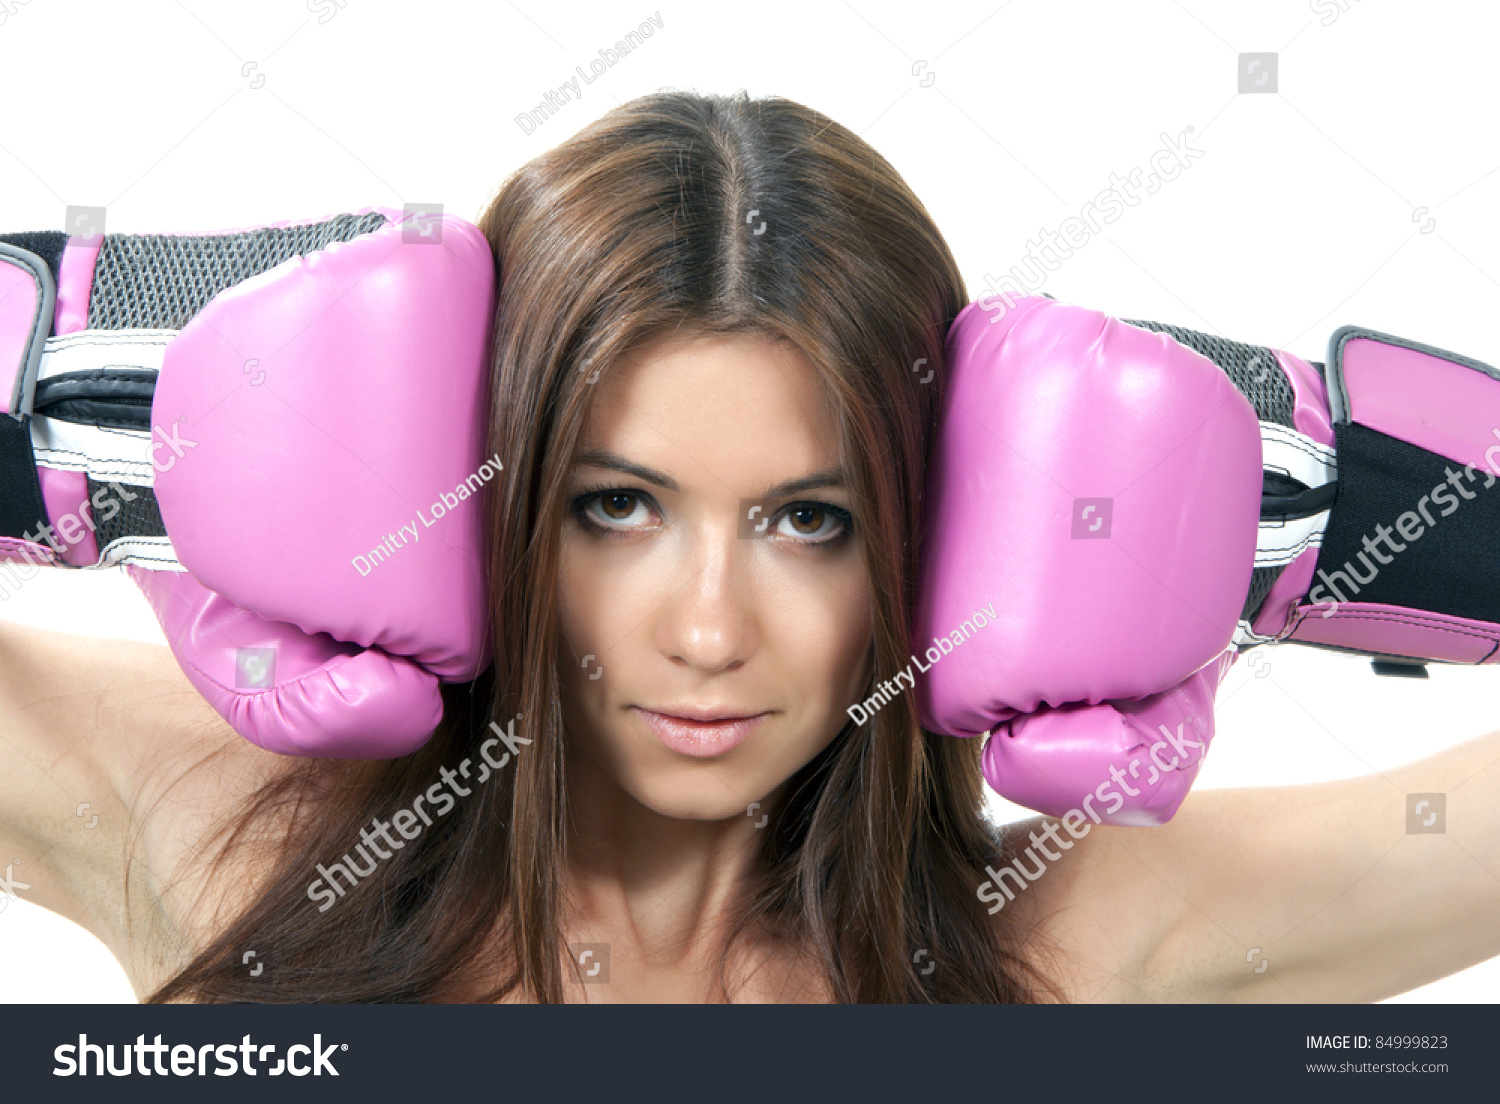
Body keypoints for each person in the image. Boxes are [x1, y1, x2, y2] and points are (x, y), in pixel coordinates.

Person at [1, 89, 1496, 1004]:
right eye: (616, 505)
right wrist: (107, 403)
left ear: (949, 533)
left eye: (810, 520)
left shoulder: (1075, 939)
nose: (708, 631)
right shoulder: (228, 837)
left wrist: (1287, 504)